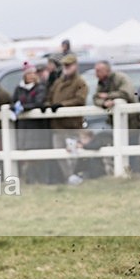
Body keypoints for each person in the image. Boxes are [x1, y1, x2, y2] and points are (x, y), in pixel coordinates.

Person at [46, 53, 87, 184]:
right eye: (65, 65)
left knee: (72, 153)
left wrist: (62, 105)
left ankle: (73, 176)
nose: (66, 67)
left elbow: (80, 99)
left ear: (75, 66)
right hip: (58, 125)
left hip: (72, 125)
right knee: (59, 152)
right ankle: (69, 177)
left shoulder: (80, 82)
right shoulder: (58, 82)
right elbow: (50, 96)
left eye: (69, 65)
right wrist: (48, 105)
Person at [93, 60, 140, 173]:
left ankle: (133, 173)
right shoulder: (102, 83)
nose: (96, 73)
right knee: (119, 147)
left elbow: (127, 94)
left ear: (107, 70)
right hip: (116, 123)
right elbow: (96, 98)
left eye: (98, 71)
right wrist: (104, 103)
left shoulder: (121, 78)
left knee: (131, 148)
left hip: (132, 121)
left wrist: (108, 96)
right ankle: (124, 172)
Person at [12, 63, 50, 183]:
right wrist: (15, 107)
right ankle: (29, 178)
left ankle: (41, 179)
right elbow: (14, 101)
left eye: (33, 73)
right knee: (24, 152)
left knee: (37, 152)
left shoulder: (40, 88)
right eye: (28, 74)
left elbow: (38, 102)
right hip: (23, 126)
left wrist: (24, 107)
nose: (31, 76)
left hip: (35, 126)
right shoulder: (19, 89)